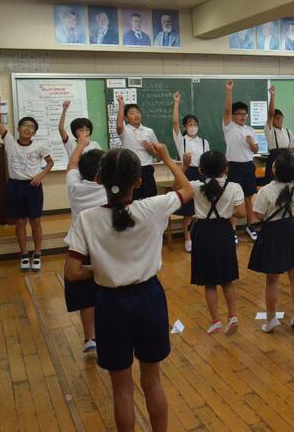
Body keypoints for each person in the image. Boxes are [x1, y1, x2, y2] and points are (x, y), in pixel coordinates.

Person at [64, 142, 193, 432]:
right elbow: (188, 189)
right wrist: (165, 157)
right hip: (149, 299)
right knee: (153, 381)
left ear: (99, 179)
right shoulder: (154, 207)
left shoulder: (87, 219)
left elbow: (72, 272)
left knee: (121, 390)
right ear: (138, 181)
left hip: (110, 304)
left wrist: (103, 268)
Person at [248, 138, 294, 333]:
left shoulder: (266, 191)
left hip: (273, 233)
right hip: (292, 230)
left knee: (272, 280)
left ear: (274, 171)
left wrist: (254, 200)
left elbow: (258, 216)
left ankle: (271, 319)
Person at [186, 150, 245, 336]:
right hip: (223, 231)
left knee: (209, 282)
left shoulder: (195, 186)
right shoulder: (234, 187)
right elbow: (242, 213)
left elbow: (176, 186)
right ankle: (233, 316)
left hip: (203, 232)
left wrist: (184, 166)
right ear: (226, 169)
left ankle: (215, 321)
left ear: (201, 170)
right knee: (227, 280)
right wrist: (227, 211)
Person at [0, 95, 54, 272]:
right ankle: (24, 254)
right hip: (15, 186)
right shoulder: (9, 141)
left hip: (33, 187)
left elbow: (50, 163)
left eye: (31, 127)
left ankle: (38, 253)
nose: (28, 128)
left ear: (34, 132)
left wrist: (40, 176)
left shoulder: (39, 146)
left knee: (35, 221)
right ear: (18, 128)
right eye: (25, 125)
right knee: (20, 222)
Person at [63, 136, 106, 354]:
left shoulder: (74, 186)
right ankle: (109, 331)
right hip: (106, 247)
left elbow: (71, 164)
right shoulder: (109, 188)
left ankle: (90, 338)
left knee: (85, 296)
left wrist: (79, 145)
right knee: (108, 289)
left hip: (80, 249)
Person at [222, 79, 260, 242]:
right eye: (239, 114)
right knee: (234, 198)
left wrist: (251, 144)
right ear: (233, 116)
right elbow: (227, 109)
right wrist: (229, 90)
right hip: (234, 166)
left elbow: (256, 150)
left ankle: (251, 227)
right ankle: (232, 230)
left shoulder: (250, 130)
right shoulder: (229, 126)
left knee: (250, 197)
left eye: (245, 114)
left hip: (248, 166)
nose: (242, 116)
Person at [172, 91, 210, 252]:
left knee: (203, 207)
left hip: (202, 174)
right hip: (186, 173)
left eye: (195, 124)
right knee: (188, 210)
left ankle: (202, 237)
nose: (193, 126)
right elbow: (174, 122)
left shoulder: (204, 142)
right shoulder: (181, 140)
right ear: (184, 127)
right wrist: (176, 102)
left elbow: (207, 159)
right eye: (189, 124)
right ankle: (188, 239)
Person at [116, 95, 159, 200]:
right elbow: (119, 126)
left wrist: (151, 151)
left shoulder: (149, 131)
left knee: (150, 200)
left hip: (147, 170)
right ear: (126, 118)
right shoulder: (125, 130)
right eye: (131, 113)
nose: (136, 115)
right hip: (131, 169)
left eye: (138, 112)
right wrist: (121, 104)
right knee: (132, 200)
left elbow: (159, 156)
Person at [265, 85, 294, 183]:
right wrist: (272, 96)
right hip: (274, 160)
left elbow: (292, 149)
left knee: (286, 185)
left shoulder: (288, 132)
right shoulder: (270, 130)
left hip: (286, 161)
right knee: (273, 185)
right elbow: (270, 113)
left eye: (281, 118)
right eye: (276, 118)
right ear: (272, 119)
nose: (279, 120)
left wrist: (289, 152)